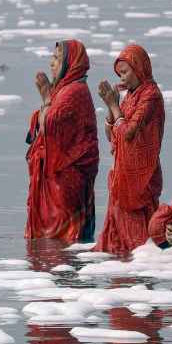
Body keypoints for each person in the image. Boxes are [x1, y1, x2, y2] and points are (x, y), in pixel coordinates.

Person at [25, 40, 99, 244]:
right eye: (53, 58)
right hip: (57, 178)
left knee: (63, 242)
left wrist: (47, 97)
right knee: (53, 243)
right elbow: (42, 123)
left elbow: (49, 122)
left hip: (66, 180)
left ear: (70, 62)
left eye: (57, 58)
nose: (51, 63)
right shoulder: (65, 89)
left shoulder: (74, 91)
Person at [95, 44, 165, 256]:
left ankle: (138, 270)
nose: (122, 78)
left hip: (141, 174)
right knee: (118, 245)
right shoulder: (132, 95)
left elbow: (128, 132)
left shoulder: (150, 96)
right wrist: (111, 107)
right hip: (123, 172)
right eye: (119, 73)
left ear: (140, 68)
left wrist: (115, 106)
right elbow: (112, 135)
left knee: (139, 243)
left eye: (125, 72)